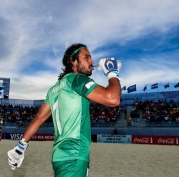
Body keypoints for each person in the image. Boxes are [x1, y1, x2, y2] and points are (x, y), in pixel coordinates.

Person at [7, 43, 122, 176]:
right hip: (74, 152)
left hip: (59, 156)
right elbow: (113, 99)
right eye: (87, 57)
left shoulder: (54, 89)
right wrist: (112, 73)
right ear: (73, 61)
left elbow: (38, 119)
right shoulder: (78, 79)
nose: (92, 61)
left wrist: (20, 147)